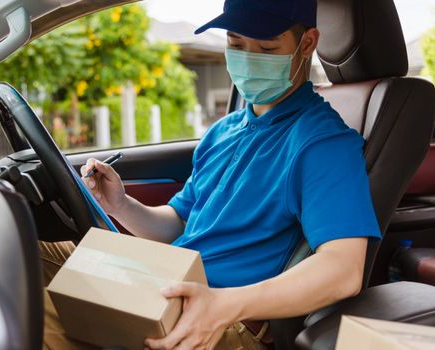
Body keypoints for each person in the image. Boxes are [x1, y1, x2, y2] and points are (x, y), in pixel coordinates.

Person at [40, 0, 381, 349]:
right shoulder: (223, 131)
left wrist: (225, 305)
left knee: (30, 314)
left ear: (307, 43)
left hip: (220, 316)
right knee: (27, 254)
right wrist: (121, 205)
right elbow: (179, 223)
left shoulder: (323, 143)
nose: (247, 58)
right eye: (235, 43)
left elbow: (343, 270)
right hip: (169, 281)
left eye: (266, 47)